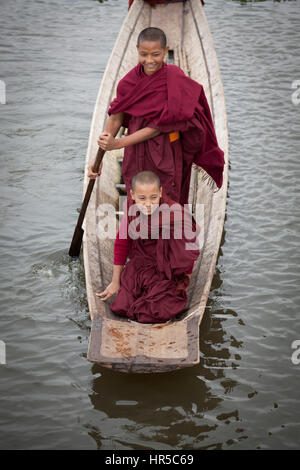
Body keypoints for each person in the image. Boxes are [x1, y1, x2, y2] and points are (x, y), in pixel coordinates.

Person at [88, 26, 224, 205]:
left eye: (156, 54)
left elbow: (158, 127)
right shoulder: (128, 83)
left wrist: (118, 143)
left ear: (165, 51)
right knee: (137, 199)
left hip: (166, 151)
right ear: (137, 50)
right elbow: (116, 116)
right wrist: (99, 157)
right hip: (135, 153)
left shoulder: (174, 79)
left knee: (165, 198)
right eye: (144, 54)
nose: (150, 60)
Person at [96, 170, 200, 324]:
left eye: (153, 198)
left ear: (160, 192)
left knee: (159, 309)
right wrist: (115, 281)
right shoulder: (131, 209)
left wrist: (185, 280)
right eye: (142, 198)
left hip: (167, 271)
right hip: (140, 266)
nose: (148, 204)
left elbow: (188, 249)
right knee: (122, 305)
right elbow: (122, 242)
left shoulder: (174, 213)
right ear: (131, 194)